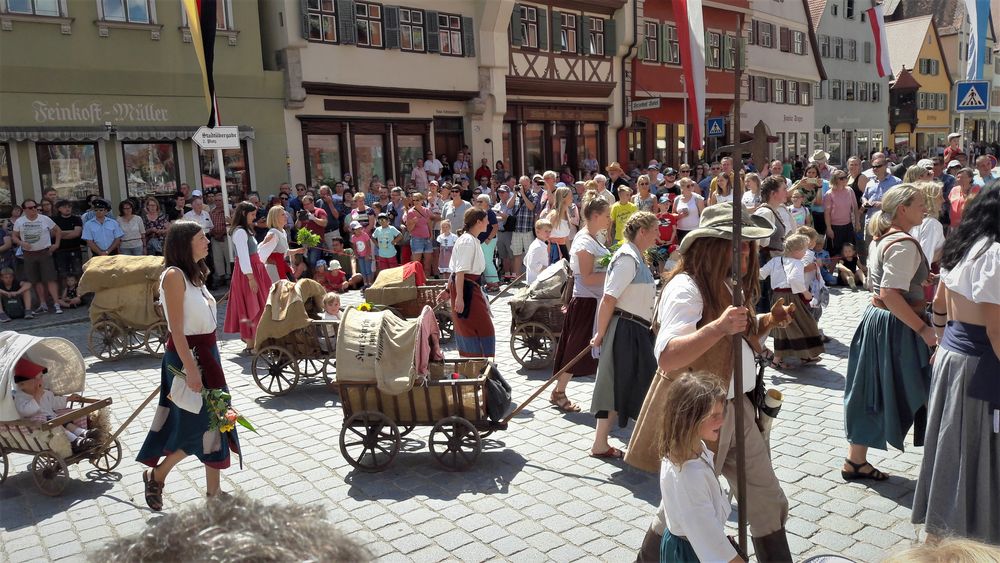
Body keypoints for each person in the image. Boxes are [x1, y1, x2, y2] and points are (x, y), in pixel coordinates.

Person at [627, 203, 793, 563]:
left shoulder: (724, 283)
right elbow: (669, 354)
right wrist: (718, 326)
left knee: (764, 496)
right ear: (716, 247)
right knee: (685, 500)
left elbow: (736, 335)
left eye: (750, 245)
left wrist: (766, 321)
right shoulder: (685, 288)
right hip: (702, 417)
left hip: (737, 409)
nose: (749, 251)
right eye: (741, 245)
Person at [913, 189, 1000, 544]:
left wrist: (940, 342)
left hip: (954, 355)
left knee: (951, 444)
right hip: (982, 362)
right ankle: (973, 532)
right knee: (977, 447)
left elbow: (940, 307)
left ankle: (942, 531)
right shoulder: (995, 254)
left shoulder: (962, 247)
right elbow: (995, 329)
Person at [137, 221, 239, 511]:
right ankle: (156, 474)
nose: (207, 241)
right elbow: (176, 330)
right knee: (197, 425)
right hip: (187, 359)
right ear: (185, 243)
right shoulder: (173, 276)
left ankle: (213, 493)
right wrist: (191, 370)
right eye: (201, 237)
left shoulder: (196, 275)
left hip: (207, 356)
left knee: (217, 420)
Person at [842, 184, 935, 482]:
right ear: (903, 209)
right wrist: (923, 330)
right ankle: (947, 462)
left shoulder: (882, 237)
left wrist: (925, 276)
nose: (926, 208)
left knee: (871, 388)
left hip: (880, 320)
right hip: (897, 324)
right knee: (923, 387)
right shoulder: (903, 243)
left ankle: (856, 461)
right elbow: (891, 293)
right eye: (921, 204)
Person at [589, 212, 660, 459]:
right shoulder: (627, 258)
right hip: (626, 330)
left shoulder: (636, 257)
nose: (658, 235)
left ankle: (602, 443)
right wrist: (600, 334)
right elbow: (609, 298)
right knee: (620, 384)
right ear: (642, 231)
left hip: (637, 329)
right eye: (655, 230)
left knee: (624, 385)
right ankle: (605, 444)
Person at [655, 373, 743, 563]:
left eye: (722, 413)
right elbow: (708, 537)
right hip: (691, 553)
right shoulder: (689, 476)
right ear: (690, 419)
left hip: (694, 542)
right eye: (714, 416)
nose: (722, 421)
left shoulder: (692, 446)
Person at [549, 195, 611, 413]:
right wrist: (616, 274)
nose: (609, 219)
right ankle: (559, 391)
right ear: (595, 216)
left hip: (595, 301)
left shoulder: (595, 238)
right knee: (577, 349)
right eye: (606, 215)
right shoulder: (584, 241)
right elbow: (587, 277)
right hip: (586, 302)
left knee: (588, 349)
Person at [759, 234, 824, 369]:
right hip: (791, 297)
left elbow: (761, 274)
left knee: (784, 326)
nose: (806, 253)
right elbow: (794, 280)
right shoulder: (797, 263)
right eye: (804, 250)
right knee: (803, 323)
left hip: (776, 297)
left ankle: (799, 356)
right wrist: (806, 293)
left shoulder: (775, 260)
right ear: (796, 251)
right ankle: (782, 359)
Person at [13, 358, 97, 452]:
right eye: (36, 379)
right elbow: (25, 411)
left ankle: (83, 433)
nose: (41, 381)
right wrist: (37, 397)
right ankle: (75, 441)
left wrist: (68, 399)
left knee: (64, 420)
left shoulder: (45, 393)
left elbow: (54, 402)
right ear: (22, 385)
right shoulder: (20, 398)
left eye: (41, 377)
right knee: (55, 425)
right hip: (39, 427)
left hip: (53, 419)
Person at [224, 202, 272, 354]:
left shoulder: (245, 230)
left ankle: (255, 341)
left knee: (257, 304)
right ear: (244, 214)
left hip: (254, 269)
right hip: (248, 273)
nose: (255, 217)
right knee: (251, 305)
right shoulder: (240, 232)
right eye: (252, 214)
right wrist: (251, 278)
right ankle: (252, 343)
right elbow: (243, 257)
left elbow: (253, 252)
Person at [448, 208, 495, 357]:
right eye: (486, 220)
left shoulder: (472, 239)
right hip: (466, 289)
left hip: (470, 286)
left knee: (483, 327)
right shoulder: (467, 241)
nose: (488, 222)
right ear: (478, 222)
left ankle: (483, 364)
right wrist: (459, 297)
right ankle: (474, 364)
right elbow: (460, 271)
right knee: (476, 327)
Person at [12, 198, 61, 315]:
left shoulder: (44, 219)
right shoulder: (20, 221)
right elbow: (14, 236)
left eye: (35, 207)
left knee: (50, 279)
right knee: (35, 280)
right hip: (28, 254)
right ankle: (42, 304)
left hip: (44, 252)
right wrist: (22, 243)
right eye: (30, 208)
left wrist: (56, 244)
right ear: (24, 210)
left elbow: (58, 230)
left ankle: (56, 304)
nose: (33, 209)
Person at [258, 205, 303, 284]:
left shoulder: (283, 231)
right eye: (283, 214)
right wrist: (267, 239)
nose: (286, 216)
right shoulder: (273, 232)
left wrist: (298, 250)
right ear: (275, 217)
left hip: (281, 265)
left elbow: (284, 252)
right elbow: (263, 246)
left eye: (285, 214)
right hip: (273, 268)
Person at [823, 170, 859, 255]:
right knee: (836, 252)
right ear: (835, 180)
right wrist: (829, 228)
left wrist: (857, 222)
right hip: (835, 227)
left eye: (845, 177)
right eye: (842, 178)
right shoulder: (829, 194)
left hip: (848, 226)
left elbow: (855, 207)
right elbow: (827, 213)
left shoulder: (850, 190)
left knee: (849, 252)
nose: (845, 179)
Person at [474, 194, 501, 291]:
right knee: (484, 262)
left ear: (486, 202)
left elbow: (495, 227)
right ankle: (490, 283)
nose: (478, 203)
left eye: (480, 201)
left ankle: (494, 283)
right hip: (481, 240)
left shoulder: (490, 213)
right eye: (477, 201)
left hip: (488, 240)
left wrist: (488, 239)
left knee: (487, 262)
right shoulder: (481, 213)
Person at [404, 192, 434, 276]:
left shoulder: (426, 210)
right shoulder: (410, 212)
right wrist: (413, 222)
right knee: (416, 263)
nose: (415, 201)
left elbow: (429, 224)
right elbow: (409, 229)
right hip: (416, 239)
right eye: (414, 200)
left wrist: (431, 235)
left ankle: (426, 280)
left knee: (427, 263)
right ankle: (417, 280)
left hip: (427, 239)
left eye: (417, 200)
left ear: (421, 200)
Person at [294, 195, 328, 267]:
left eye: (307, 204)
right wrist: (298, 218)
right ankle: (313, 276)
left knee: (313, 261)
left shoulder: (319, 211)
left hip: (316, 242)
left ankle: (316, 276)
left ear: (312, 203)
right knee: (308, 261)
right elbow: (297, 227)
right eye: (304, 204)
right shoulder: (303, 213)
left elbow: (324, 223)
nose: (305, 206)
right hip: (305, 242)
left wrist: (314, 218)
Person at [545, 186, 576, 262]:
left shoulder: (566, 214)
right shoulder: (554, 215)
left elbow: (566, 238)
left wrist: (569, 254)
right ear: (564, 198)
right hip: (553, 250)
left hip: (563, 249)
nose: (572, 198)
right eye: (570, 196)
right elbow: (544, 233)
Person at [672, 178, 704, 245]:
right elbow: (673, 214)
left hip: (695, 230)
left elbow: (703, 215)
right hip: (680, 230)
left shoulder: (698, 198)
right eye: (688, 186)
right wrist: (680, 216)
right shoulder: (677, 199)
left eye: (692, 185)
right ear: (682, 187)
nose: (691, 187)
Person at [523, 219, 552, 284]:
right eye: (546, 231)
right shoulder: (537, 247)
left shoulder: (538, 244)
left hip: (540, 280)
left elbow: (525, 260)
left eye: (550, 231)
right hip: (536, 282)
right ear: (538, 232)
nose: (548, 234)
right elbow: (532, 264)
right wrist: (547, 268)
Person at [350, 221, 375, 286]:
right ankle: (365, 283)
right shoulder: (353, 237)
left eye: (359, 228)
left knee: (368, 270)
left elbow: (368, 245)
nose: (359, 230)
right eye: (356, 229)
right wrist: (356, 254)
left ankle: (370, 283)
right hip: (360, 256)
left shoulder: (365, 235)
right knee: (363, 270)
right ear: (353, 230)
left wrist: (368, 254)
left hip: (366, 255)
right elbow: (354, 247)